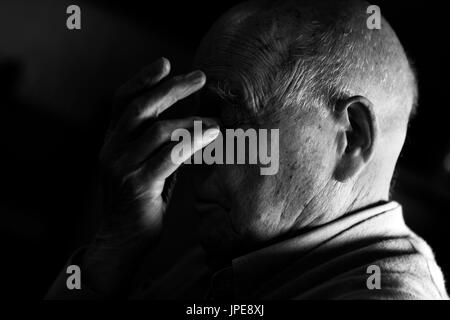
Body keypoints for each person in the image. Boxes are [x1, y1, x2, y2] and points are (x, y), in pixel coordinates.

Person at [47, 0, 448, 299]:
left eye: (233, 119)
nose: (193, 152)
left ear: (352, 137)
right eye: (201, 124)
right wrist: (118, 242)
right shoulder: (239, 257)